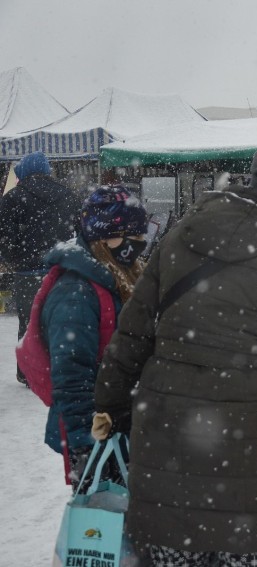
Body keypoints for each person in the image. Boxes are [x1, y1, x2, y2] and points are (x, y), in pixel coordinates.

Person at [92, 139, 257, 567]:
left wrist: (110, 406)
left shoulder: (181, 236)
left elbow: (132, 333)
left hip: (167, 446)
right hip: (250, 462)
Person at [39, 186, 148, 489]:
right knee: (104, 526)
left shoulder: (119, 273)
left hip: (125, 422)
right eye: (130, 236)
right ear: (104, 236)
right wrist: (86, 444)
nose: (137, 245)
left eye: (140, 236)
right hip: (100, 432)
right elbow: (71, 375)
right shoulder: (76, 293)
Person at [0, 151, 82, 385]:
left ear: (24, 171)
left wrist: (16, 259)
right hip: (61, 272)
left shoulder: (13, 198)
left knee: (28, 325)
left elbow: (3, 236)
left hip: (27, 274)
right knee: (60, 321)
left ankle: (27, 373)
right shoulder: (69, 195)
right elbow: (82, 233)